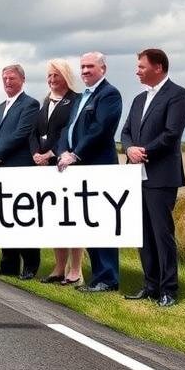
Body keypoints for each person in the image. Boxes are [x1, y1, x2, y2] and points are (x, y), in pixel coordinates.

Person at [121, 49, 185, 307]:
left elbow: (172, 133)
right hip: (135, 175)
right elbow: (126, 131)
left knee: (162, 234)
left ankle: (168, 290)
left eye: (141, 66)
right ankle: (150, 284)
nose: (137, 71)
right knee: (142, 233)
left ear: (158, 67)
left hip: (161, 175)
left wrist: (144, 151)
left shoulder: (178, 95)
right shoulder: (139, 99)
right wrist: (129, 149)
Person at [57, 52, 123, 293]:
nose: (84, 71)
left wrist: (76, 154)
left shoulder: (109, 94)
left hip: (99, 166)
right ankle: (98, 277)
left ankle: (108, 278)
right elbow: (68, 128)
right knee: (89, 222)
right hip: (79, 167)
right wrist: (63, 150)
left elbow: (100, 129)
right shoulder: (83, 96)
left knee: (102, 223)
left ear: (103, 69)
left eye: (90, 67)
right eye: (82, 67)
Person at [0, 64, 41, 280]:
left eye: (12, 78)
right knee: (4, 218)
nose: (8, 82)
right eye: (5, 78)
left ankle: (30, 265)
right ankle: (8, 264)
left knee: (22, 219)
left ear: (22, 80)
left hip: (18, 169)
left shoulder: (30, 105)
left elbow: (21, 134)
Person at [30, 59, 82, 285]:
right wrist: (36, 154)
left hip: (64, 165)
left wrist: (51, 153)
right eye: (49, 76)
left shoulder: (75, 101)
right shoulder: (45, 102)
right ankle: (59, 267)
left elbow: (68, 131)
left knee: (72, 219)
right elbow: (34, 132)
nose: (52, 80)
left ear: (65, 77)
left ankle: (76, 269)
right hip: (44, 167)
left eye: (56, 76)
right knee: (54, 218)